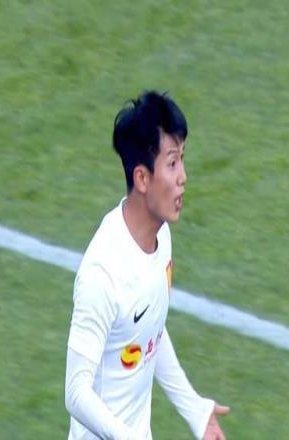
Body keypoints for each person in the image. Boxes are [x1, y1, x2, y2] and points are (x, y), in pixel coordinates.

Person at [65, 91, 229, 439]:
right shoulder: (102, 275)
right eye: (172, 163)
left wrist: (193, 408)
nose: (183, 176)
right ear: (141, 179)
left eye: (182, 160)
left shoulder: (161, 237)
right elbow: (76, 392)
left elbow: (148, 330)